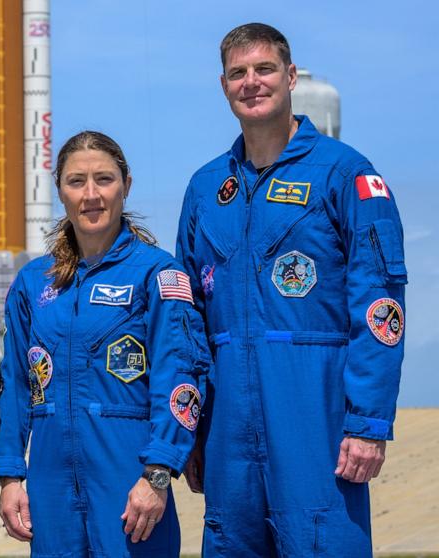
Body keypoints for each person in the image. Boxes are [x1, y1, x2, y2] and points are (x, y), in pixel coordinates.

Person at [176, 23, 406, 556]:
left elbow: (380, 303)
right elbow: (185, 320)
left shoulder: (345, 174)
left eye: (264, 69)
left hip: (314, 414)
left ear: (290, 76)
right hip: (228, 422)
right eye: (238, 73)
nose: (251, 82)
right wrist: (190, 426)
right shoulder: (207, 188)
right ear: (223, 84)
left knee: (322, 542)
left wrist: (368, 423)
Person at [0, 131, 210, 557]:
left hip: (131, 482)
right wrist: (11, 475)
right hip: (52, 487)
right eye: (76, 181)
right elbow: (16, 385)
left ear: (126, 186)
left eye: (104, 180)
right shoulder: (34, 284)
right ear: (60, 191)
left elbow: (181, 377)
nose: (91, 195)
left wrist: (158, 475)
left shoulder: (158, 275)